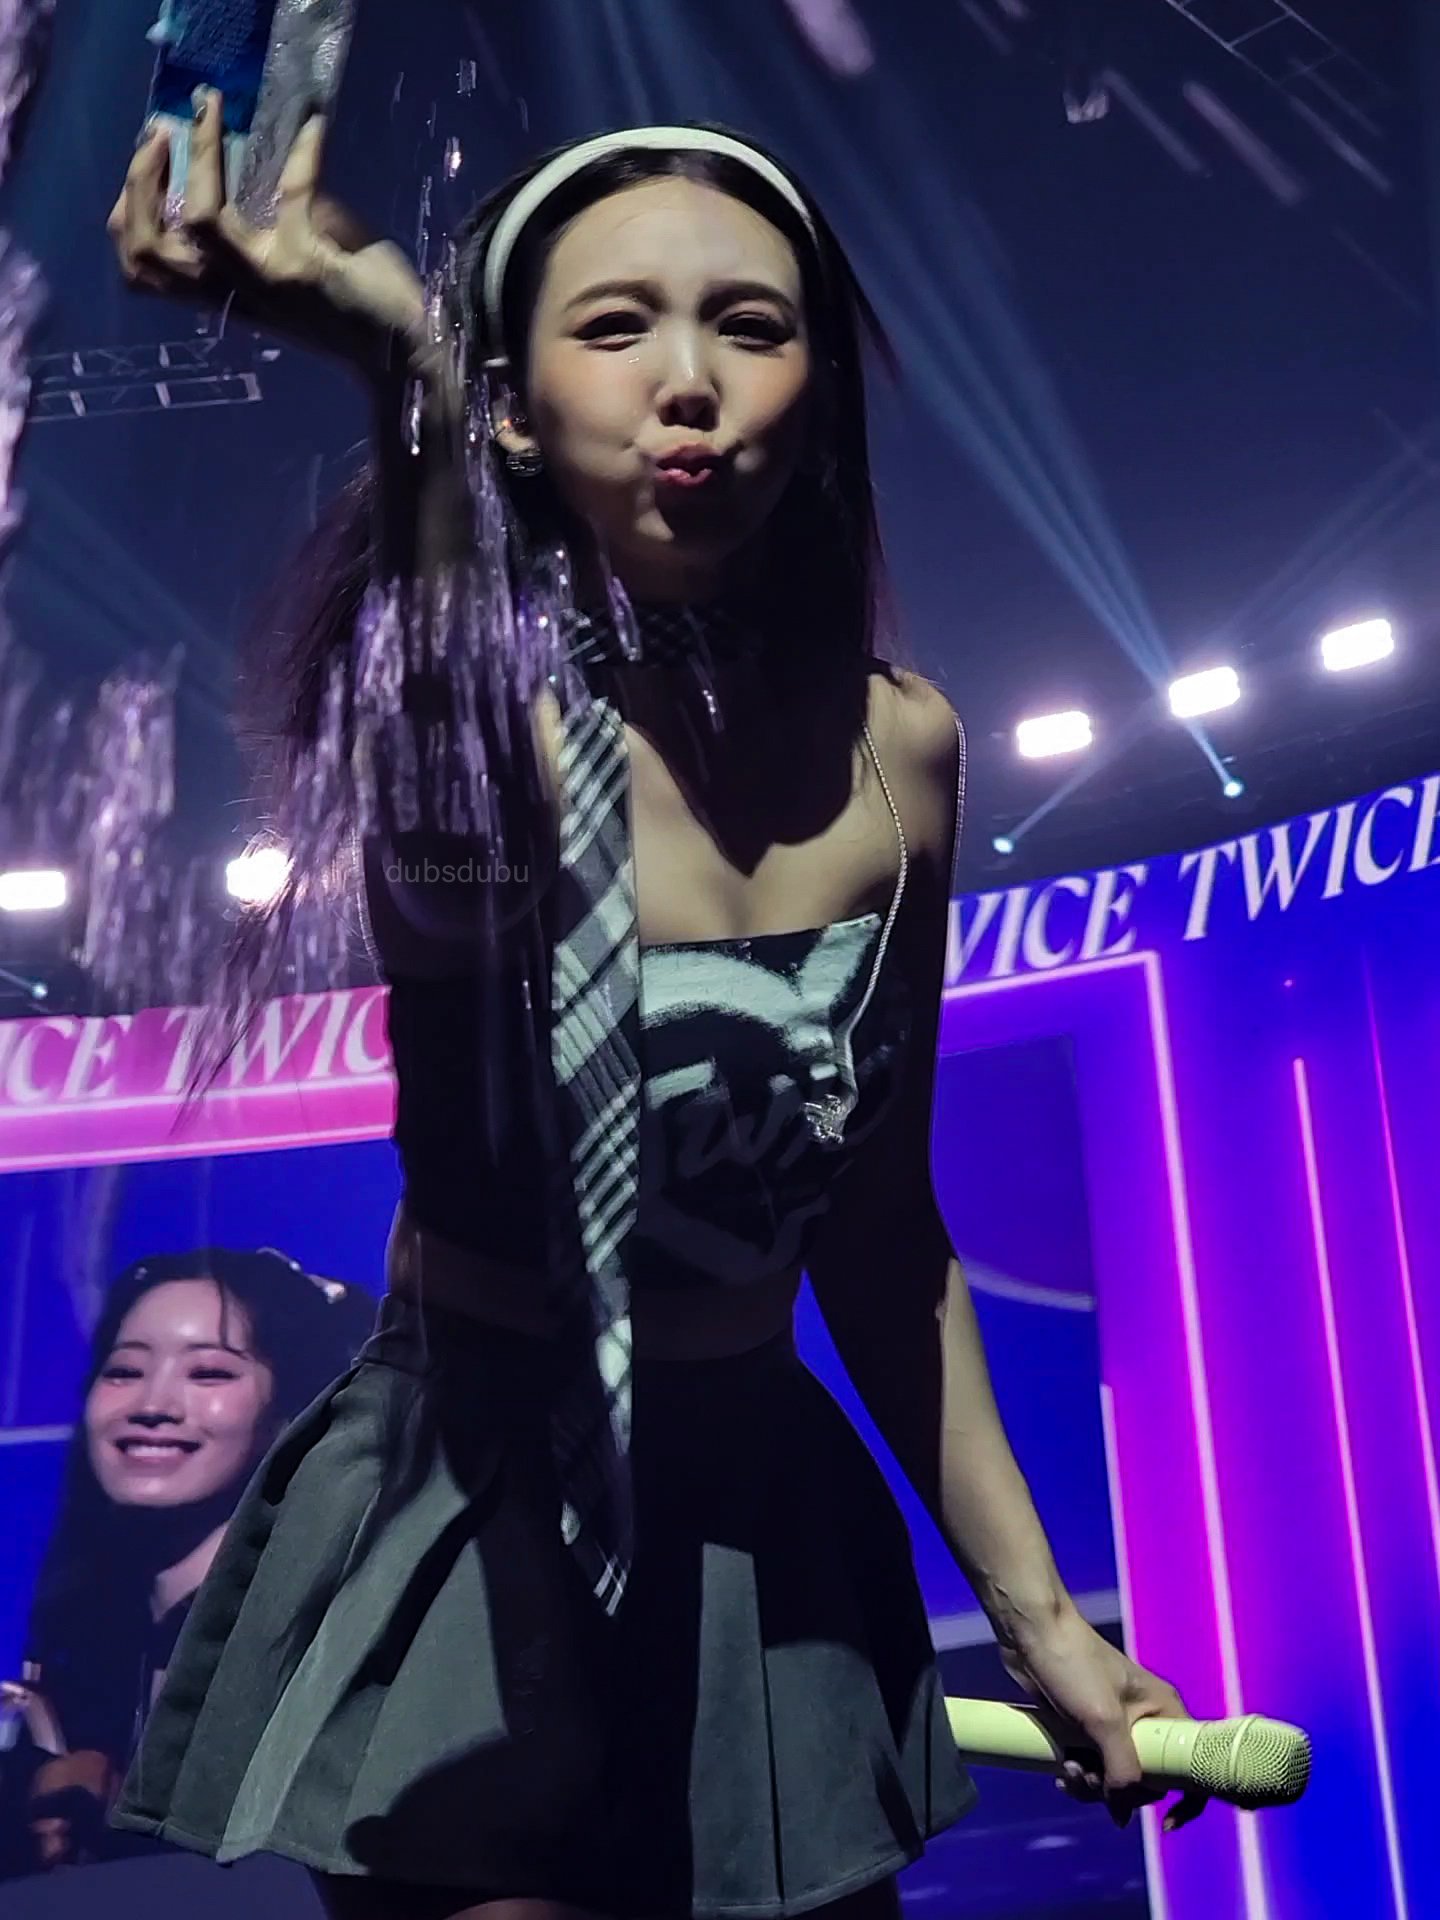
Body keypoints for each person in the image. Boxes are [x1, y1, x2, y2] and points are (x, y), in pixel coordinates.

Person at [102, 94, 1209, 1920]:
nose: (689, 380)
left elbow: (882, 1234)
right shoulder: (470, 747)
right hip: (470, 1509)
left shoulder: (906, 750)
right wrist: (403, 373)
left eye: (750, 326)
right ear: (513, 412)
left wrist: (1044, 1627)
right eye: (616, 326)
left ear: (815, 398)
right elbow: (447, 695)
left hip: (757, 1509)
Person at [0, 1248, 372, 1877]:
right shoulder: (75, 1654)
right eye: (124, 1371)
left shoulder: (334, 1647)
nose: (153, 1404)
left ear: (290, 1410)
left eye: (209, 1373)